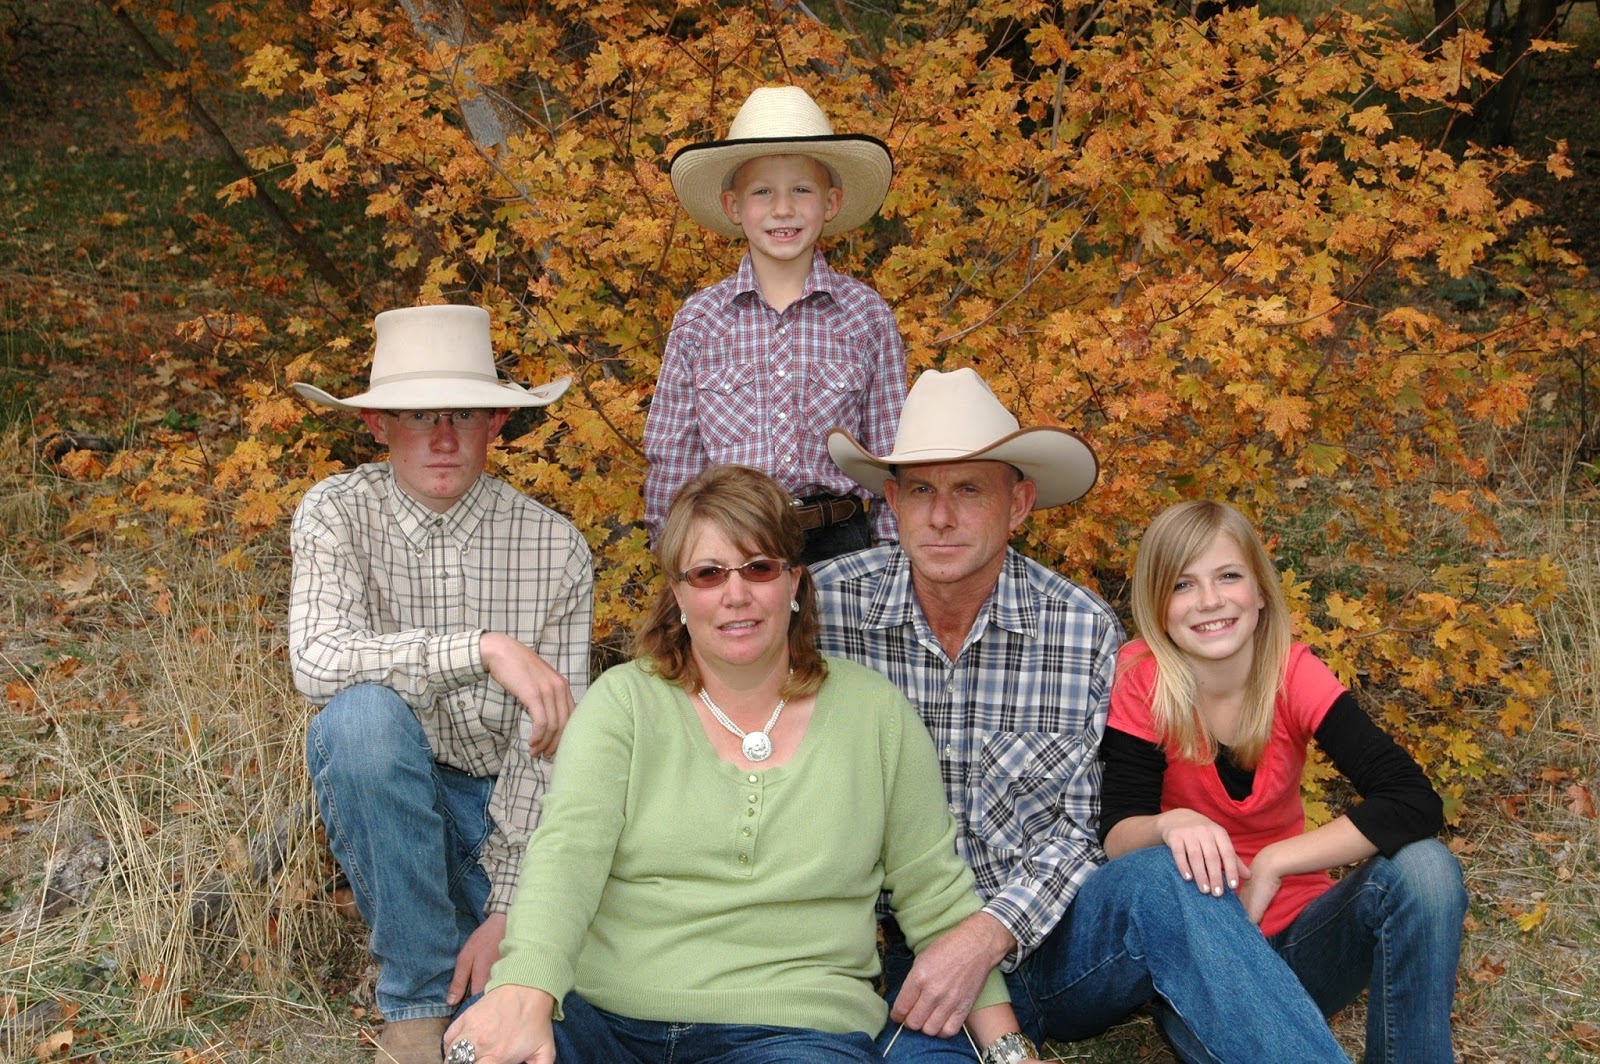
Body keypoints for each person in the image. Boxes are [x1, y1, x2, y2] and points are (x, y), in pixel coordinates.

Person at [812, 366, 1357, 1062]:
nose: (941, 516)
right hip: (912, 960)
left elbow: (1081, 831)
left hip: (1059, 946)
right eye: (921, 490)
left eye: (969, 489)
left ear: (1018, 504)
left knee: (1164, 876)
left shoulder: (1077, 628)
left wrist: (986, 935)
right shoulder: (826, 609)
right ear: (890, 502)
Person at [441, 465, 1040, 1064]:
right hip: (607, 1018)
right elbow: (567, 855)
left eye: (758, 568)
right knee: (482, 1045)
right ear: (677, 595)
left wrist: (1008, 1048)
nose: (736, 594)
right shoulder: (624, 704)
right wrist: (526, 987)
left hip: (791, 1033)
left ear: (794, 583)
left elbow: (936, 894)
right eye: (707, 574)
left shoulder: (875, 715)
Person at [288, 304, 594, 1064]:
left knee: (533, 1019)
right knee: (358, 722)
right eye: (419, 415)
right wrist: (481, 648)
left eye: (463, 414)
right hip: (397, 802)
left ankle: (489, 953)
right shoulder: (336, 512)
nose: (444, 437)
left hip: (510, 814)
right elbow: (316, 659)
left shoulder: (554, 547)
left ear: (497, 422)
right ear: (377, 425)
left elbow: (552, 749)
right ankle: (417, 1000)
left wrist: (512, 907)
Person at [1100, 499, 1467, 1063]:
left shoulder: (1293, 673)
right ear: (1157, 604)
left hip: (1303, 940)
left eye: (1228, 576)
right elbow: (1118, 836)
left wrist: (1274, 861)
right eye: (1182, 584)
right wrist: (1171, 823)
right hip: (1205, 963)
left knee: (1427, 868)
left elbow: (1413, 799)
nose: (1210, 601)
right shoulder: (1142, 680)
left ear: (1261, 590)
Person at [644, 84, 907, 564]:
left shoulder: (867, 316)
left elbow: (891, 451)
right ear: (733, 207)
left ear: (830, 203)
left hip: (840, 545)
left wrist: (891, 559)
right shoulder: (699, 322)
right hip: (729, 542)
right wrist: (678, 561)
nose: (783, 209)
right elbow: (673, 457)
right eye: (763, 192)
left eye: (801, 190)